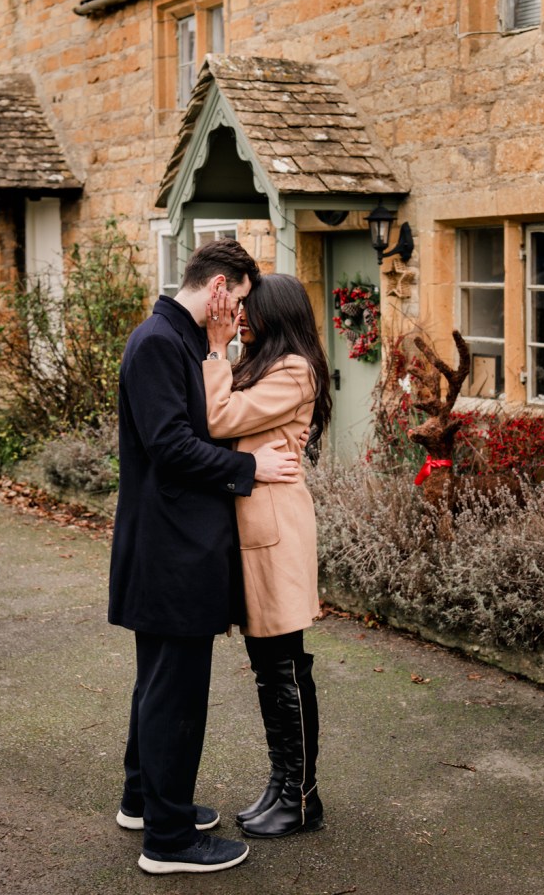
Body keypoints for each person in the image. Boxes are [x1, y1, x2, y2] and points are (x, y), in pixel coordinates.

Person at [109, 239, 301, 875]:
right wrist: (251, 466)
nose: (242, 314)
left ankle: (146, 801)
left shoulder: (181, 340)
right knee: (176, 693)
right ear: (220, 286)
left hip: (174, 546)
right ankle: (168, 841)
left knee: (156, 684)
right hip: (171, 550)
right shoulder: (161, 342)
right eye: (240, 299)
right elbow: (172, 446)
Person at [203, 273, 332, 839]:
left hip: (276, 529)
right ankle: (283, 784)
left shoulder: (293, 369)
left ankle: (302, 798)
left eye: (250, 309)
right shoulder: (258, 364)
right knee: (268, 666)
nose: (241, 315)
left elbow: (219, 418)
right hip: (255, 525)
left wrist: (214, 347)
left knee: (284, 663)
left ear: (276, 312)